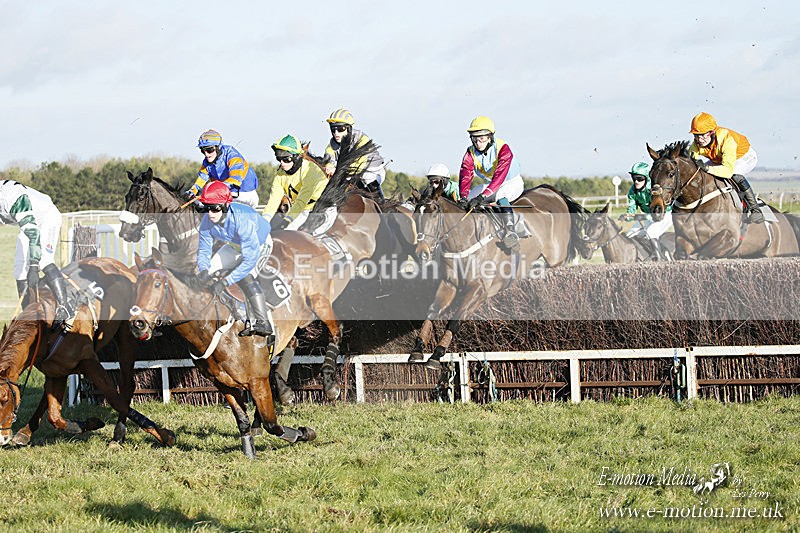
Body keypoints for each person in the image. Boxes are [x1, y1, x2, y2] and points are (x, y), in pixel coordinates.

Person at [196, 181, 273, 340]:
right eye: (206, 207)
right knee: (204, 276)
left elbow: (248, 260)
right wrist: (203, 270)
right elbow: (204, 250)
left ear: (225, 206)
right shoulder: (207, 221)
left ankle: (263, 322)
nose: (210, 213)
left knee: (245, 277)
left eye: (215, 208)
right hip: (234, 245)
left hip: (259, 244)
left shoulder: (241, 220)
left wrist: (225, 282)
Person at [0, 180, 74, 323]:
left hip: (47, 218)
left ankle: (65, 307)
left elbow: (34, 234)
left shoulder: (13, 199)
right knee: (19, 270)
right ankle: (29, 314)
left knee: (44, 260)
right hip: (28, 224)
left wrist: (34, 267)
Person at [459, 116, 524, 252]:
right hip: (491, 185)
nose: (478, 142)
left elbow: (499, 178)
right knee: (470, 197)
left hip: (512, 182)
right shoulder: (470, 153)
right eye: (474, 138)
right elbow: (466, 176)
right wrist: (464, 197)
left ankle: (511, 232)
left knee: (501, 194)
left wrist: (482, 197)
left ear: (490, 137)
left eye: (481, 138)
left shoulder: (503, 148)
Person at [689, 112, 764, 223]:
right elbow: (690, 163)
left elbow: (727, 171)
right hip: (720, 159)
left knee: (735, 175)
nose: (700, 139)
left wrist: (707, 168)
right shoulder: (696, 143)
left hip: (744, 157)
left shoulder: (726, 140)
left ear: (712, 132)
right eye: (696, 135)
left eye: (703, 135)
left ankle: (755, 210)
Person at [261, 134, 328, 230]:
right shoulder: (280, 174)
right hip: (304, 210)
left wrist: (287, 221)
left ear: (297, 157)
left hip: (323, 209)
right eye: (279, 159)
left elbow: (301, 201)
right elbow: (274, 200)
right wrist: (264, 221)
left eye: (286, 159)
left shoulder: (310, 170)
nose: (282, 163)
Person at [185, 129, 260, 208]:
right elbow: (201, 179)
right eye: (203, 151)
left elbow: (235, 181)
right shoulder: (207, 162)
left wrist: (212, 190)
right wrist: (191, 191)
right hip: (226, 194)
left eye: (209, 150)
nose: (206, 154)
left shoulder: (233, 156)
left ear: (218, 147)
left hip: (244, 194)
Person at [324, 108, 387, 201]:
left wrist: (339, 171)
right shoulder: (331, 146)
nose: (336, 133)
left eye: (340, 129)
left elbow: (359, 164)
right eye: (333, 129)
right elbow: (329, 161)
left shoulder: (362, 139)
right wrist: (329, 168)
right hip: (349, 173)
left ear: (349, 128)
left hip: (372, 170)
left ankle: (382, 204)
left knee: (367, 177)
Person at [621, 162, 672, 260]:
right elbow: (632, 208)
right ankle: (647, 255)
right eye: (634, 178)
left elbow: (657, 215)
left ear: (647, 179)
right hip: (649, 216)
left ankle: (661, 259)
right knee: (630, 234)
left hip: (664, 215)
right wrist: (628, 215)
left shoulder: (654, 190)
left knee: (651, 232)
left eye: (640, 179)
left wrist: (643, 217)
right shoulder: (632, 191)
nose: (636, 181)